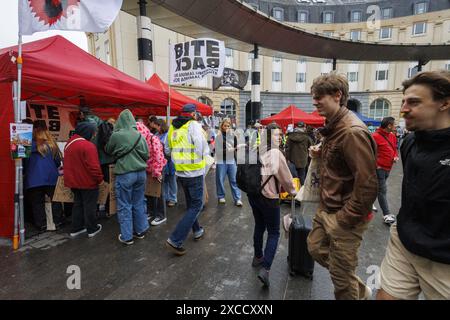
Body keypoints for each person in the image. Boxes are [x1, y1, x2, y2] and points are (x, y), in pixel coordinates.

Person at [377, 71, 450, 300]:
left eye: (414, 102)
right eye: (404, 101)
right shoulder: (409, 142)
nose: (403, 109)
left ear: (445, 104)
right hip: (404, 241)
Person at [307, 73, 378, 300]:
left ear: (337, 96)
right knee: (315, 248)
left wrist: (344, 220)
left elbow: (367, 185)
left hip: (344, 215)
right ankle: (353, 283)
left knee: (341, 283)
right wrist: (322, 152)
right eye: (314, 97)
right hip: (327, 207)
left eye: (319, 97)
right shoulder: (334, 125)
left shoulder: (351, 131)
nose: (315, 102)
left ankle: (349, 283)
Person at [248, 123, 296, 287]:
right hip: (268, 197)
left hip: (253, 195)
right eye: (277, 135)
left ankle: (258, 257)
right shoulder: (275, 153)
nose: (280, 137)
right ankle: (266, 269)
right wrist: (293, 191)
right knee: (274, 232)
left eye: (280, 134)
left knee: (259, 225)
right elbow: (286, 178)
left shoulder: (256, 149)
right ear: (269, 136)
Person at [166, 104, 208, 256]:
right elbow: (202, 147)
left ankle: (197, 230)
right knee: (197, 205)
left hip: (181, 172)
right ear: (192, 114)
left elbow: (167, 149)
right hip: (194, 172)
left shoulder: (172, 127)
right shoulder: (193, 125)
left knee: (191, 204)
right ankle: (175, 239)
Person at [106, 110, 150, 245]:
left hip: (125, 174)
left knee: (125, 204)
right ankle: (140, 231)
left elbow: (108, 150)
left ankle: (127, 236)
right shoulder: (140, 135)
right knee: (138, 202)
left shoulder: (116, 135)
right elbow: (146, 155)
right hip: (141, 174)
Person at [64, 122, 103, 238]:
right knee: (89, 206)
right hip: (88, 182)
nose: (94, 135)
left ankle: (76, 228)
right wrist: (100, 179)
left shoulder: (69, 144)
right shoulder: (88, 146)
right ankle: (92, 228)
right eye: (93, 133)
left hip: (73, 182)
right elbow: (94, 167)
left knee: (78, 205)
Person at [24, 124, 63, 231]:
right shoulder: (52, 146)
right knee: (56, 200)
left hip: (33, 179)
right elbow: (58, 162)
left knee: (37, 203)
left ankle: (41, 225)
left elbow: (24, 163)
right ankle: (57, 221)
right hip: (51, 177)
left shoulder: (27, 146)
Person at [136, 119, 167, 226]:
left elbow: (159, 157)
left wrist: (157, 172)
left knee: (158, 193)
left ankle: (161, 215)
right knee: (149, 192)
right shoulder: (143, 140)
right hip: (148, 169)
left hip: (157, 169)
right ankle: (151, 212)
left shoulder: (154, 139)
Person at [372, 117, 399, 225]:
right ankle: (386, 214)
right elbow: (369, 152)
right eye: (394, 124)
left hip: (388, 167)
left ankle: (368, 204)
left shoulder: (392, 136)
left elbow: (394, 148)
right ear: (389, 125)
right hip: (379, 168)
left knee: (377, 188)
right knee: (382, 191)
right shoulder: (374, 136)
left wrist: (395, 156)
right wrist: (376, 165)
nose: (395, 126)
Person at [215, 119, 243, 206]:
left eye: (228, 126)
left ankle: (238, 199)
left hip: (231, 160)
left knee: (234, 180)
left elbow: (235, 147)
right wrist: (229, 150)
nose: (226, 127)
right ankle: (221, 196)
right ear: (222, 126)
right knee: (220, 179)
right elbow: (218, 151)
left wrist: (237, 149)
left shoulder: (233, 136)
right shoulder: (218, 137)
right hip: (221, 160)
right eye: (225, 126)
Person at [155, 119, 178, 208]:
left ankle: (173, 198)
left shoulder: (169, 134)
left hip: (170, 160)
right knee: (164, 180)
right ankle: (166, 197)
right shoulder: (157, 135)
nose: (156, 128)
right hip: (161, 160)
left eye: (157, 126)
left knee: (172, 179)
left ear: (160, 125)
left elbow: (171, 148)